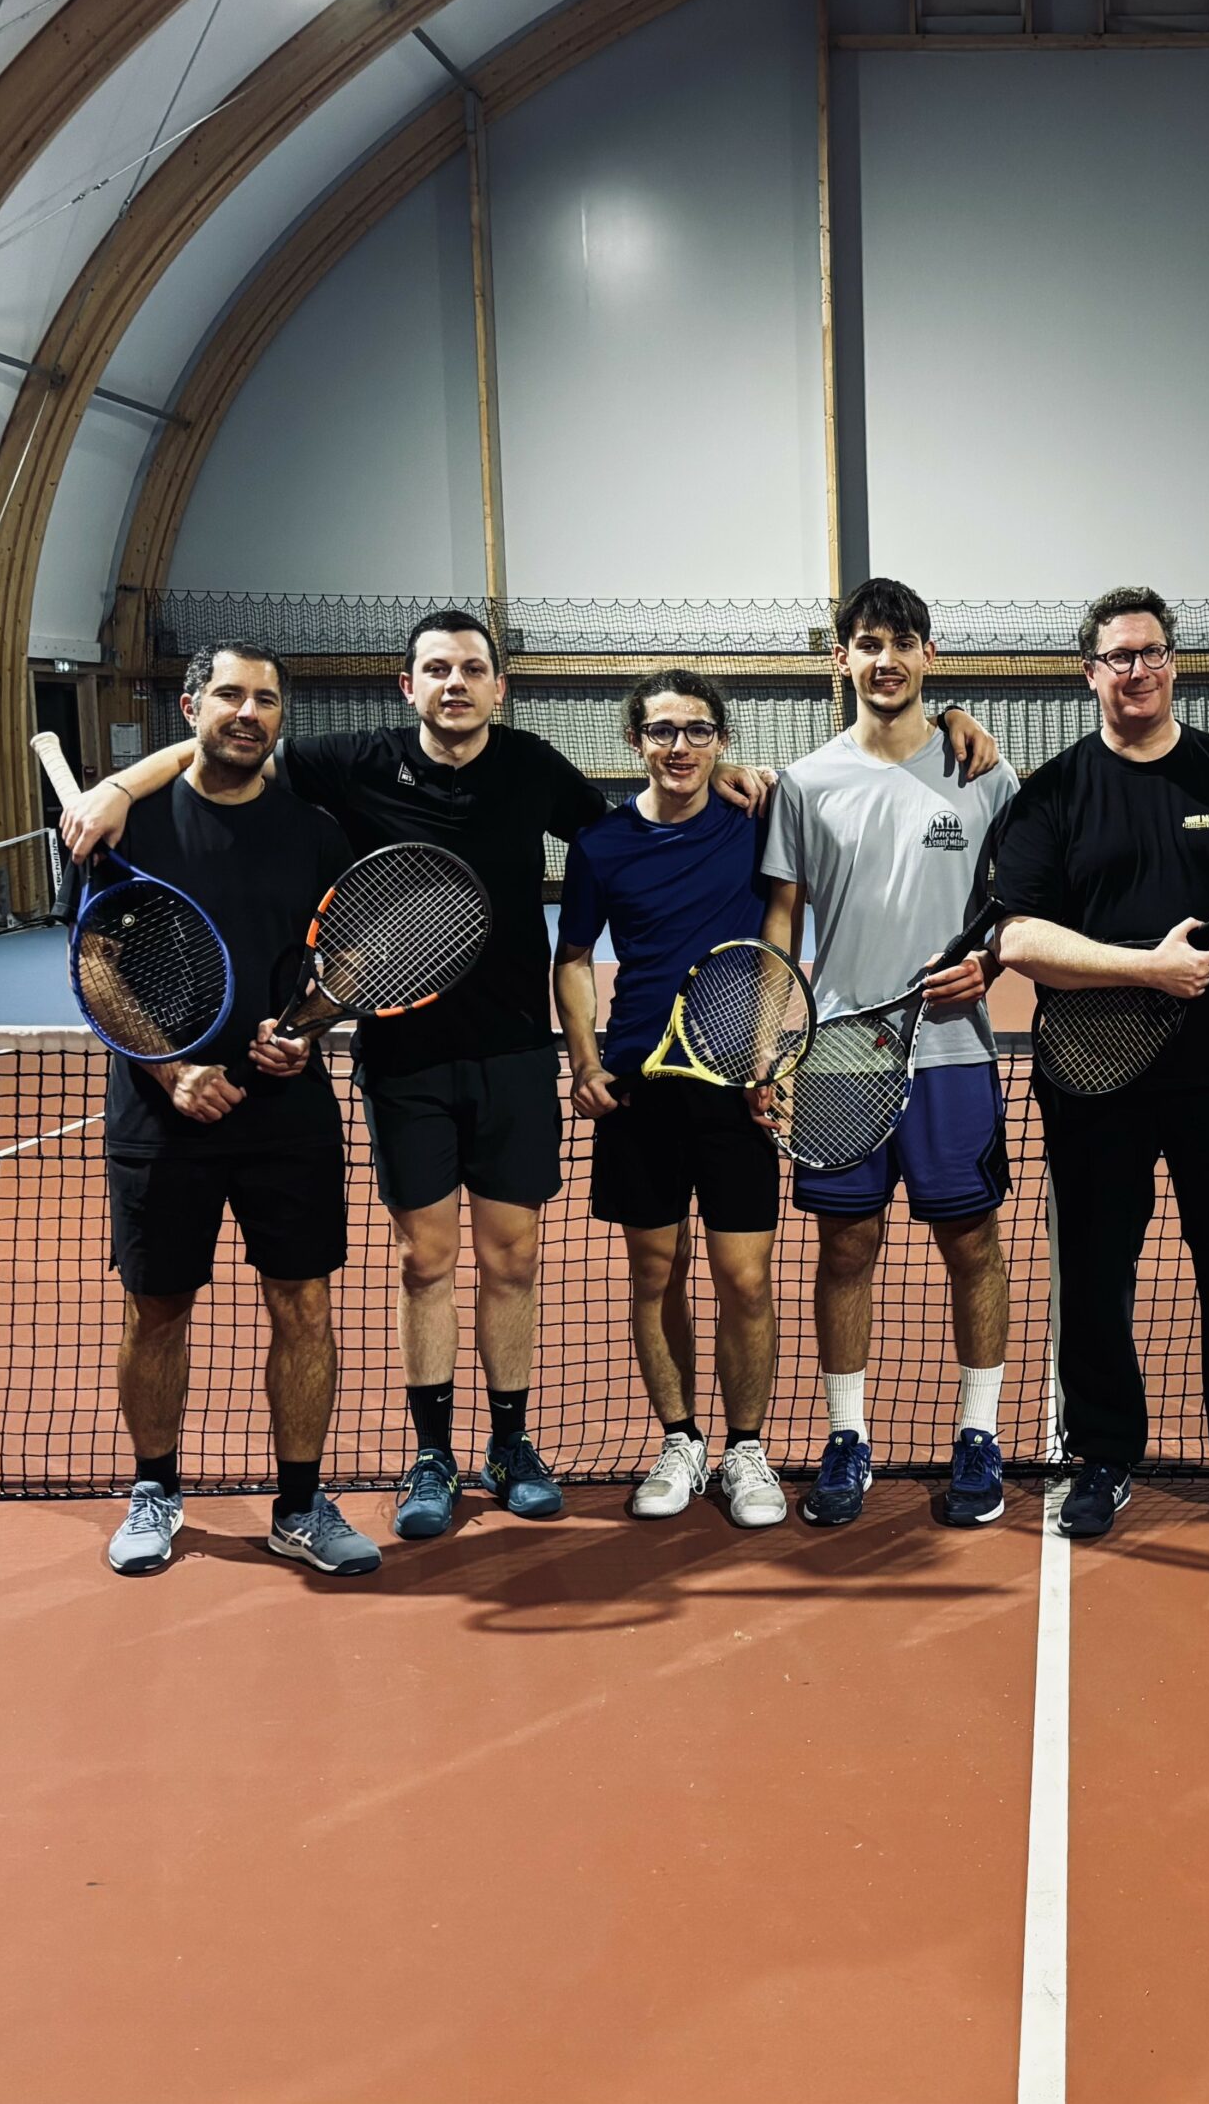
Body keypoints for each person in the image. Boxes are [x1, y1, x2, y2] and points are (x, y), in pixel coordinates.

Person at [61, 611, 1002, 1543]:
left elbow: (683, 841)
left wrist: (764, 771)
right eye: (438, 669)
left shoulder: (545, 771)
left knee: (540, 1264)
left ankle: (530, 1446)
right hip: (412, 1059)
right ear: (409, 685)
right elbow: (235, 751)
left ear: (499, 687)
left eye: (473, 669)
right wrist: (118, 782)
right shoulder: (354, 762)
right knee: (428, 1263)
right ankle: (441, 1454)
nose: (456, 684)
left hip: (519, 1054)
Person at [992, 584, 1209, 1542]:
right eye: (1118, 656)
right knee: (1096, 1273)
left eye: (1152, 653)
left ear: (1173, 662)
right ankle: (1102, 1453)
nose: (1137, 670)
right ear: (1089, 673)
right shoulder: (1053, 793)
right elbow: (1017, 936)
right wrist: (1149, 969)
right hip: (1093, 1077)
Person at [98, 643, 379, 1577]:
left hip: (286, 1115)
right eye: (229, 693)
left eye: (265, 699)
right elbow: (97, 965)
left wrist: (309, 1028)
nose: (248, 712)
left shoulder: (315, 833)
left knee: (304, 1305)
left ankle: (298, 1505)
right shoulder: (129, 827)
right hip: (159, 1116)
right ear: (191, 708)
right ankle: (154, 1490)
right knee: (157, 1309)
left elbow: (347, 962)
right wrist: (171, 1068)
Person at [759, 580, 1018, 1529]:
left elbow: (1017, 907)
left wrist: (991, 963)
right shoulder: (805, 784)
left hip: (953, 1053)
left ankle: (979, 1434)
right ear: (842, 658)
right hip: (839, 1053)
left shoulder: (986, 775)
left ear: (929, 655)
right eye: (869, 643)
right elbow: (781, 923)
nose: (887, 660)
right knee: (846, 1247)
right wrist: (773, 1046)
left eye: (904, 642)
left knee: (972, 1244)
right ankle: (847, 1437)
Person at [554, 669, 788, 1529]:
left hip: (733, 1083)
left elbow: (781, 926)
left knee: (745, 1279)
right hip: (638, 1085)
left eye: (697, 730)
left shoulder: (758, 821)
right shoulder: (600, 845)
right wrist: (584, 1058)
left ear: (722, 739)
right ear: (635, 741)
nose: (679, 746)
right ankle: (680, 1439)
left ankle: (746, 1448)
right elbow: (572, 957)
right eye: (662, 730)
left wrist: (770, 1047)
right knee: (655, 1272)